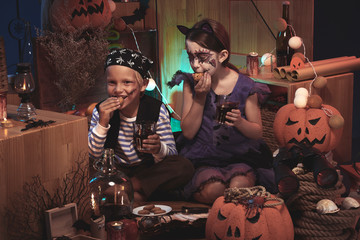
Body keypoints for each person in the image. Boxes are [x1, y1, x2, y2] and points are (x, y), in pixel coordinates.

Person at [169, 19, 276, 204]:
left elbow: (258, 132)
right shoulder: (190, 83)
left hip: (239, 155)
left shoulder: (245, 86)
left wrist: (241, 122)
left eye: (201, 57)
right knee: (214, 190)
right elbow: (188, 132)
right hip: (203, 156)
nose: (195, 64)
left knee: (240, 186)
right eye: (190, 57)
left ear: (222, 55)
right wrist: (200, 98)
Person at [88, 48, 194, 203]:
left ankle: (127, 189)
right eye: (112, 82)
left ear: (143, 85)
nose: (118, 90)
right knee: (90, 175)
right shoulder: (101, 110)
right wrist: (103, 122)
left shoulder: (157, 110)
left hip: (148, 170)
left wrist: (158, 148)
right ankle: (138, 195)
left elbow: (171, 154)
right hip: (117, 171)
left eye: (127, 82)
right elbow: (94, 155)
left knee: (184, 166)